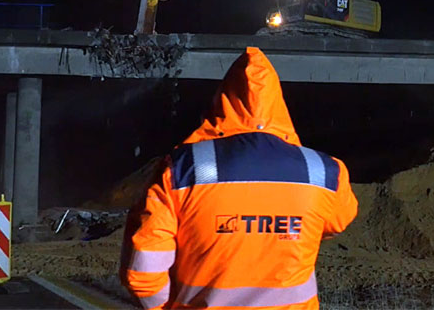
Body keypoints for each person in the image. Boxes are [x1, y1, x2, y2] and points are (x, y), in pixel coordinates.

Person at [120, 47, 358, 309]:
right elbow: (339, 220)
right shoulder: (323, 170)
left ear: (223, 99)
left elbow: (143, 270)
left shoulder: (182, 168)